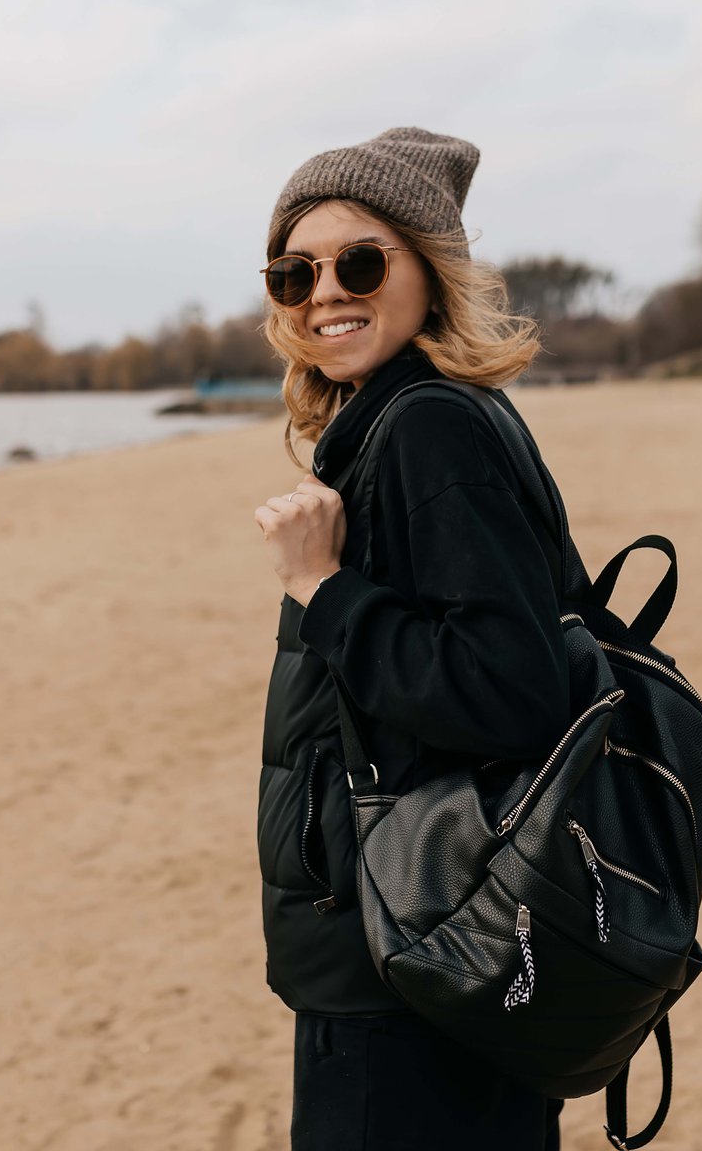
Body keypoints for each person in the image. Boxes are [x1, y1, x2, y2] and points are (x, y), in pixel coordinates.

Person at [249, 128, 574, 1149]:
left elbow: (511, 687)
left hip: (411, 954)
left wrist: (324, 586)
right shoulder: (429, 415)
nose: (324, 293)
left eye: (358, 261)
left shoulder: (428, 426)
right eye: (295, 271)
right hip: (435, 942)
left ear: (431, 274)